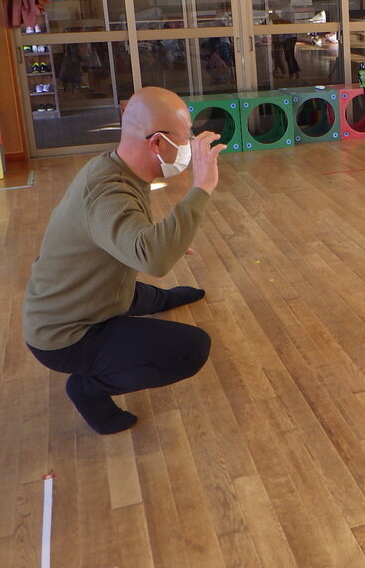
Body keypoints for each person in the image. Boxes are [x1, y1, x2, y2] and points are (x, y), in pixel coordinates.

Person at [23, 87, 223, 434]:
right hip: (67, 334)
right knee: (192, 348)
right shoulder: (109, 190)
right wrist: (202, 186)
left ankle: (164, 299)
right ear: (157, 143)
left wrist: (162, 242)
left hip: (92, 292)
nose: (191, 145)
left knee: (142, 293)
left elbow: (134, 238)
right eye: (186, 136)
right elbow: (154, 260)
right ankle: (89, 389)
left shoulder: (116, 167)